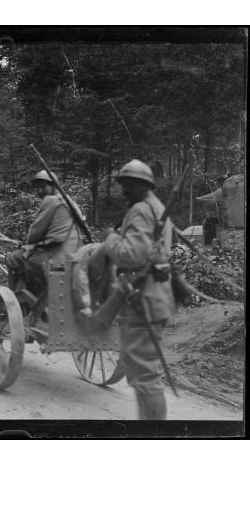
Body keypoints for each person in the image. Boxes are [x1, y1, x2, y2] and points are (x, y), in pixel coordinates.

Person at [103, 159, 176, 420]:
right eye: (122, 184)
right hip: (156, 297)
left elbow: (130, 255)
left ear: (143, 185)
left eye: (128, 185)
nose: (123, 190)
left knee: (145, 377)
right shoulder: (158, 208)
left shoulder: (140, 210)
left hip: (141, 300)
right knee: (147, 373)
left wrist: (111, 239)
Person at [6, 170, 83, 295]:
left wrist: (27, 245)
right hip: (75, 254)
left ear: (53, 185)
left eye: (43, 187)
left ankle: (15, 298)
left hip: (56, 256)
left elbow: (35, 231)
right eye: (37, 188)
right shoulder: (69, 201)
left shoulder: (50, 200)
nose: (39, 192)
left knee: (12, 258)